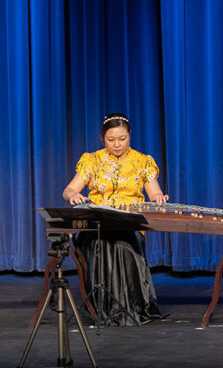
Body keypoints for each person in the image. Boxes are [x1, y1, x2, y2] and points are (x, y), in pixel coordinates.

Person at [62, 113, 168, 325]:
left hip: (129, 225)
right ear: (103, 138)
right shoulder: (92, 161)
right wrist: (73, 195)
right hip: (98, 225)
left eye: (122, 139)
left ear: (130, 136)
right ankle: (105, 308)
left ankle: (130, 308)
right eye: (111, 140)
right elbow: (68, 190)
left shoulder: (142, 162)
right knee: (100, 243)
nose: (117, 144)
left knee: (123, 245)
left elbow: (155, 192)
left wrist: (158, 198)